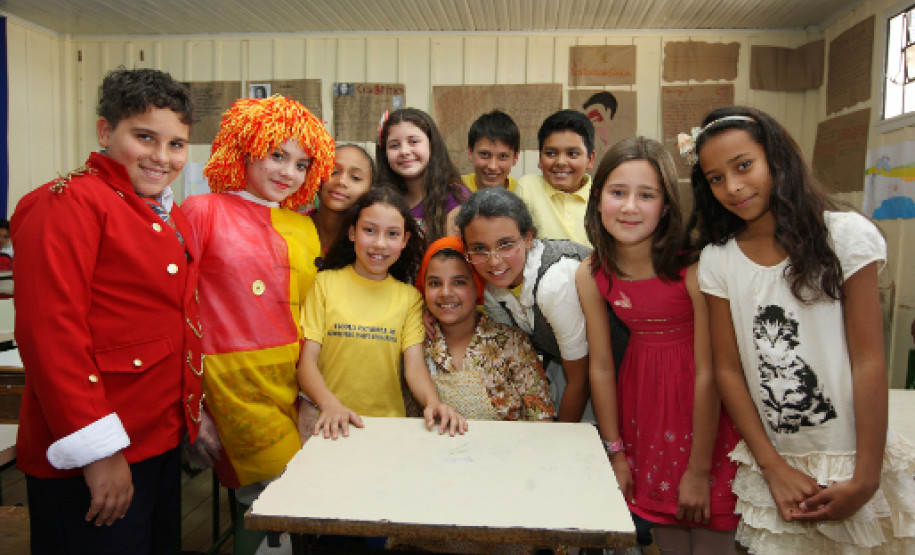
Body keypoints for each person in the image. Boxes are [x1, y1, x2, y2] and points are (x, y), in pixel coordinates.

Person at [688, 106, 915, 553]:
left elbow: (869, 360)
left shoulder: (845, 236)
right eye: (716, 178)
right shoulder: (718, 260)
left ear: (777, 159)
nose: (732, 186)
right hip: (776, 465)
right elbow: (728, 371)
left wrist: (866, 478)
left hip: (856, 457)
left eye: (743, 166)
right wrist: (772, 467)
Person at [12, 68, 204, 555]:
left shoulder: (165, 213)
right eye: (144, 137)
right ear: (105, 131)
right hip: (96, 448)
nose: (162, 157)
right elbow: (50, 335)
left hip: (156, 438)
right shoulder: (66, 203)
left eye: (176, 144)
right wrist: (98, 452)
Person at [182, 95, 335, 554]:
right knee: (281, 498)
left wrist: (310, 396)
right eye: (277, 155)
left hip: (293, 385)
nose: (289, 173)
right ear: (244, 149)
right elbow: (175, 308)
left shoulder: (304, 227)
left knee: (295, 505)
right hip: (233, 386)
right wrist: (190, 407)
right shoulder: (201, 210)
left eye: (302, 164)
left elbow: (310, 318)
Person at [577, 137, 741, 553]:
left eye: (646, 195)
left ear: (666, 205)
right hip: (644, 412)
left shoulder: (695, 269)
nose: (630, 207)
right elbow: (600, 367)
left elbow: (709, 371)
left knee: (712, 535)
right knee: (667, 536)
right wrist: (615, 452)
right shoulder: (591, 273)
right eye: (617, 192)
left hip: (706, 416)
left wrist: (699, 470)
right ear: (597, 198)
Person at [297, 186, 468, 439]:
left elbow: (414, 367)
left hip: (386, 427)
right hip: (325, 422)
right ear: (352, 232)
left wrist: (433, 403)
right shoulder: (324, 284)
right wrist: (330, 405)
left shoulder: (409, 298)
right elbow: (307, 363)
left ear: (405, 241)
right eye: (369, 230)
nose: (379, 243)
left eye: (392, 234)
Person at [456, 187, 595, 423]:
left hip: (616, 374)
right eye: (479, 249)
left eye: (506, 244)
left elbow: (580, 379)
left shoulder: (554, 283)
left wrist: (559, 438)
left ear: (528, 238)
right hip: (569, 374)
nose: (494, 261)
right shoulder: (494, 291)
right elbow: (514, 351)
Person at [416, 236, 555, 421]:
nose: (445, 293)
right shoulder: (416, 343)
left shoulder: (512, 343)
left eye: (459, 282)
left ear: (478, 285)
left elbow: (543, 420)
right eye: (435, 283)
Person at [376, 108, 469, 242]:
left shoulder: (455, 196)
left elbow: (452, 253)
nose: (404, 151)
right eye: (394, 145)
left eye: (414, 142)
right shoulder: (379, 197)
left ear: (432, 145)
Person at [515, 109, 596, 246]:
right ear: (540, 159)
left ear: (590, 159)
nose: (561, 162)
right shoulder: (527, 188)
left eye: (572, 154)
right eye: (551, 153)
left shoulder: (601, 197)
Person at [307, 143, 375, 256]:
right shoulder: (289, 226)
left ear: (370, 191)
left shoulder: (370, 244)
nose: (341, 181)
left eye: (355, 178)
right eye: (333, 172)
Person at [462, 110, 521, 193]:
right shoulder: (454, 190)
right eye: (485, 154)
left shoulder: (522, 192)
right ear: (470, 152)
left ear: (515, 157)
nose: (492, 167)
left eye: (503, 156)